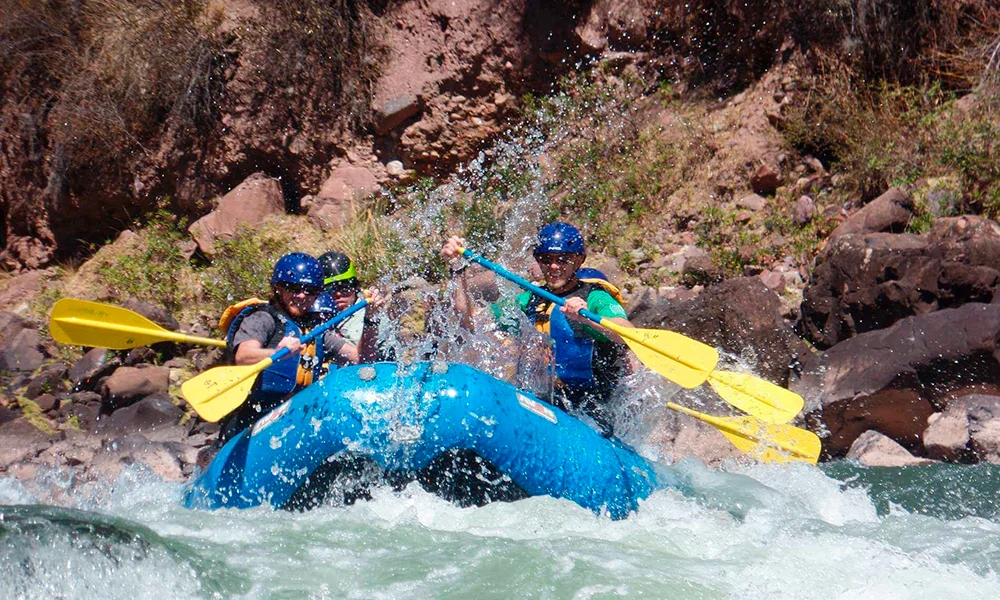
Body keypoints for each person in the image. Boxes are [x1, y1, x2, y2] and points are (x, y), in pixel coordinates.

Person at [441, 221, 634, 434]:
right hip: (542, 401)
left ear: (578, 261)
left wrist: (588, 319)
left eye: (563, 259)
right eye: (546, 259)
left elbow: (625, 333)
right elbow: (469, 324)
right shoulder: (529, 299)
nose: (553, 267)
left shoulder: (595, 297)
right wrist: (458, 270)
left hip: (590, 407)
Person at [218, 252, 380, 441]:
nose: (302, 296)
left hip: (296, 418)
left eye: (310, 290)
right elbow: (243, 356)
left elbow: (361, 359)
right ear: (278, 288)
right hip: (254, 420)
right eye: (294, 288)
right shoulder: (263, 318)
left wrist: (371, 318)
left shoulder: (314, 330)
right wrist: (276, 353)